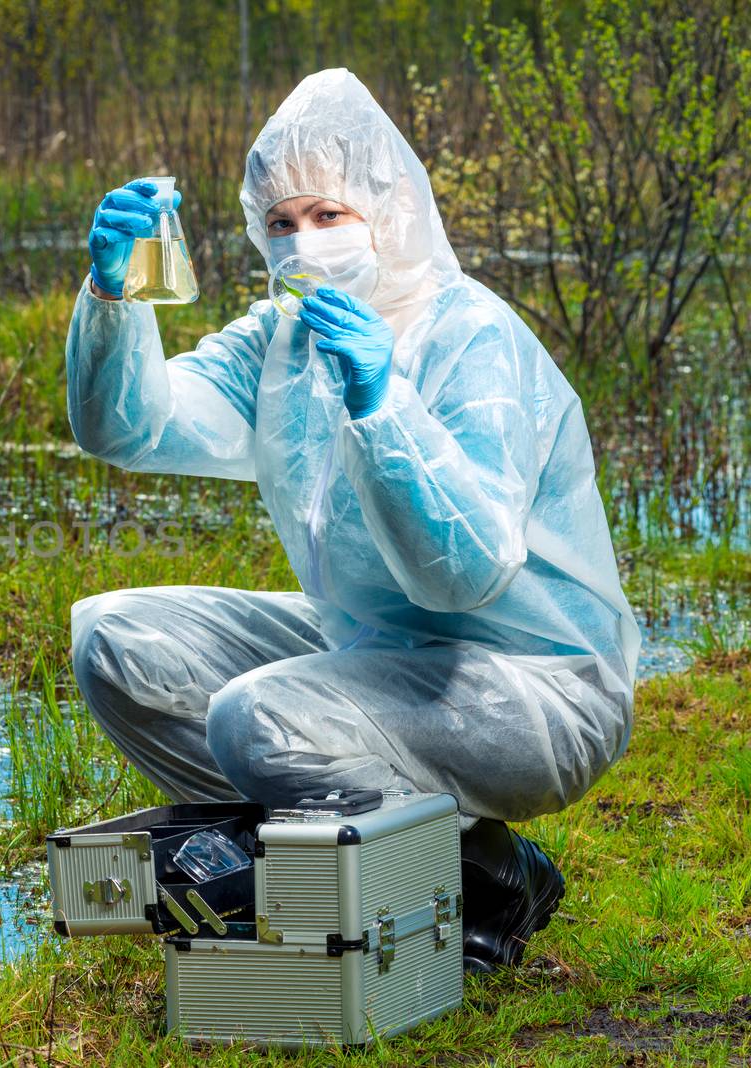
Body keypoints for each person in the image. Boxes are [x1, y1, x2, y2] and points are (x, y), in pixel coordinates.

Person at [65, 68, 639, 973]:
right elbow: (133, 426)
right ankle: (378, 864)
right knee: (114, 641)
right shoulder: (280, 339)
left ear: (391, 210)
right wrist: (112, 298)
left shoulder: (474, 340)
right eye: (283, 223)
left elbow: (465, 574)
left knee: (257, 718)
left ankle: (473, 882)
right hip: (372, 649)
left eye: (329, 215)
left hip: (534, 686)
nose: (303, 244)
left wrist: (383, 403)